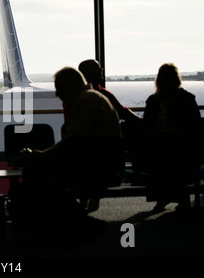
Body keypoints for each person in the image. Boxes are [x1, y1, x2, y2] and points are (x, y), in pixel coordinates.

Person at [12, 67, 124, 240]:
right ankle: (71, 219)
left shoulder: (85, 102)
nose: (57, 94)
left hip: (95, 166)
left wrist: (41, 155)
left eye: (59, 89)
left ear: (69, 87)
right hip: (102, 162)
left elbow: (73, 143)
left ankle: (70, 220)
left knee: (35, 173)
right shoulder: (94, 98)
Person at [136, 63, 201, 210]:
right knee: (171, 157)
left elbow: (147, 125)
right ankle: (179, 198)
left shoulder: (154, 101)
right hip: (178, 146)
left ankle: (163, 197)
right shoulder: (186, 99)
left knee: (165, 157)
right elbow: (194, 126)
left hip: (172, 145)